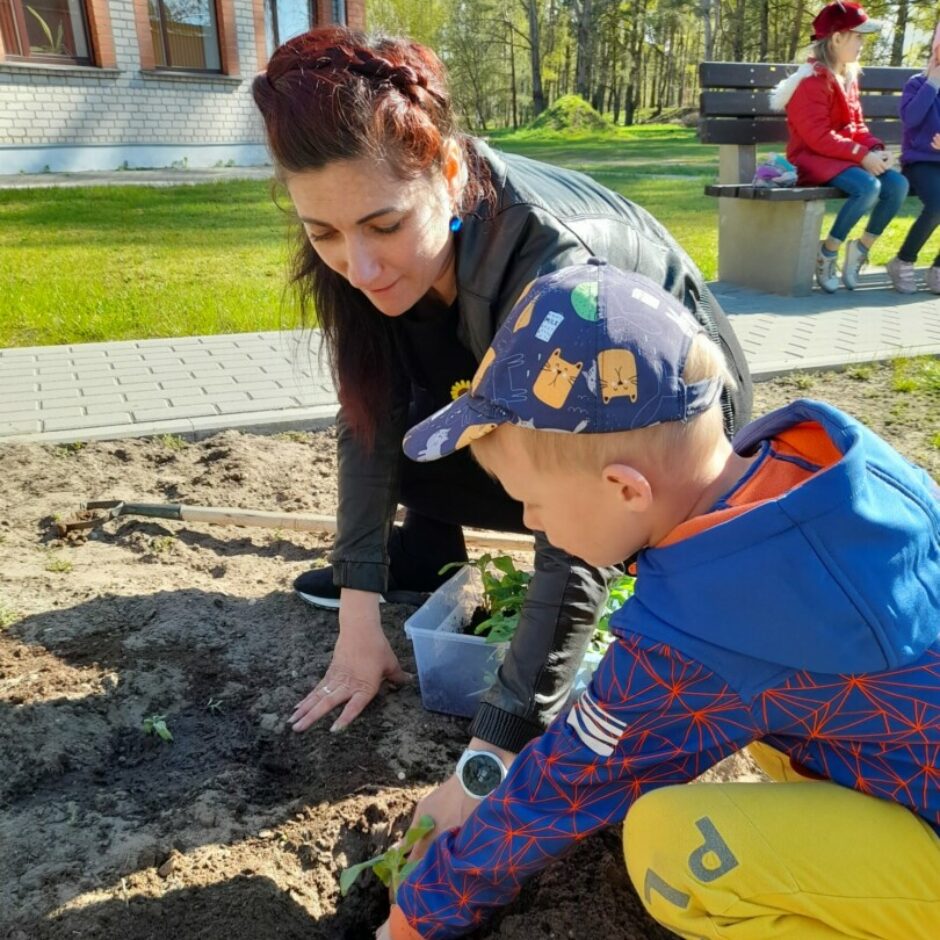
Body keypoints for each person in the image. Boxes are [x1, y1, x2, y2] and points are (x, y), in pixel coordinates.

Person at [251, 25, 752, 832]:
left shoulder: (556, 273)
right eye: (323, 233)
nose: (359, 264)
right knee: (405, 403)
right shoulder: (356, 248)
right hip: (538, 417)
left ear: (449, 172)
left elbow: (575, 521)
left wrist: (497, 746)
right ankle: (422, 548)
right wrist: (359, 618)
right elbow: (368, 419)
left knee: (609, 547)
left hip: (663, 435)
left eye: (383, 225)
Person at [378, 261, 940, 940]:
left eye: (534, 503)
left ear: (625, 489)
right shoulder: (825, 470)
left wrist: (413, 919)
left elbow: (567, 784)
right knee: (773, 733)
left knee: (672, 846)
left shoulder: (705, 634)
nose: (531, 524)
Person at [771, 2, 909, 293]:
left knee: (897, 185)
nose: (862, 43)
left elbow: (856, 125)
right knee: (868, 187)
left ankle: (860, 249)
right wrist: (862, 155)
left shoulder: (848, 76)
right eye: (857, 36)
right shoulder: (810, 81)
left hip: (843, 155)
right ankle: (827, 252)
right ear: (836, 38)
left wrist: (875, 148)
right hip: (811, 158)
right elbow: (817, 137)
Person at [886, 28, 940, 294]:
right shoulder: (917, 84)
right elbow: (912, 119)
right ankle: (903, 260)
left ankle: (938, 268)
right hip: (922, 162)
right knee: (939, 205)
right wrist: (933, 84)